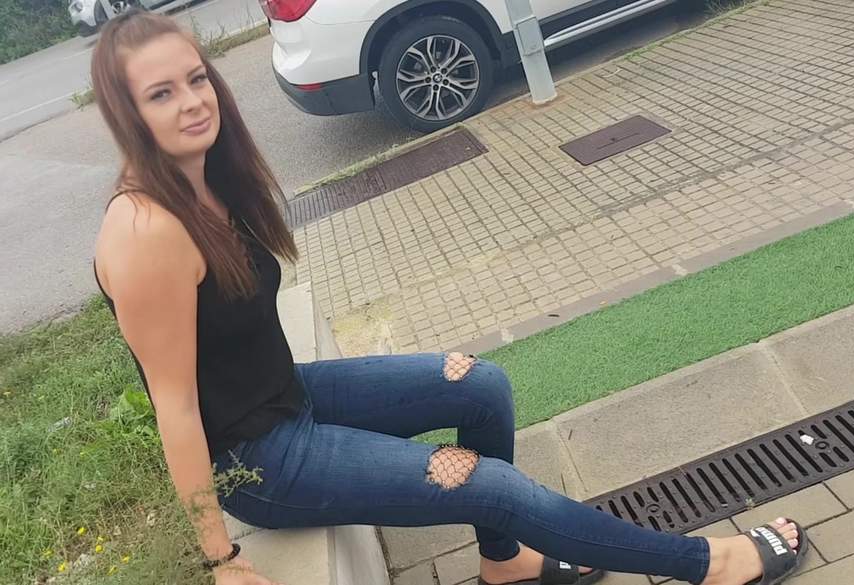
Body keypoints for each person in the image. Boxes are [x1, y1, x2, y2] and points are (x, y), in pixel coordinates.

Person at [91, 9, 808, 585]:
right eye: (161, 94)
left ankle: (504, 560)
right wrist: (220, 556)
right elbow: (175, 406)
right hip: (259, 463)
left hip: (289, 395)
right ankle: (706, 564)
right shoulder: (146, 231)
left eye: (196, 79)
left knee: (481, 386)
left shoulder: (210, 180)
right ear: (127, 114)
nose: (193, 102)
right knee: (490, 486)